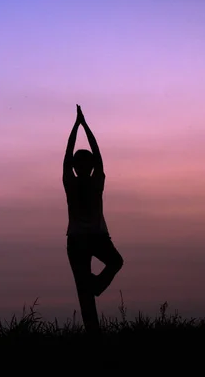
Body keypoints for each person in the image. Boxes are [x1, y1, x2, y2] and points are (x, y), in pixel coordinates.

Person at [63, 104, 124, 335]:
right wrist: (83, 125)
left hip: (84, 240)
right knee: (90, 286)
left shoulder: (73, 181)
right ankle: (93, 333)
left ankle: (96, 286)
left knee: (87, 287)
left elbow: (70, 155)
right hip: (88, 239)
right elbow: (95, 155)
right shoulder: (93, 181)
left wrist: (77, 126)